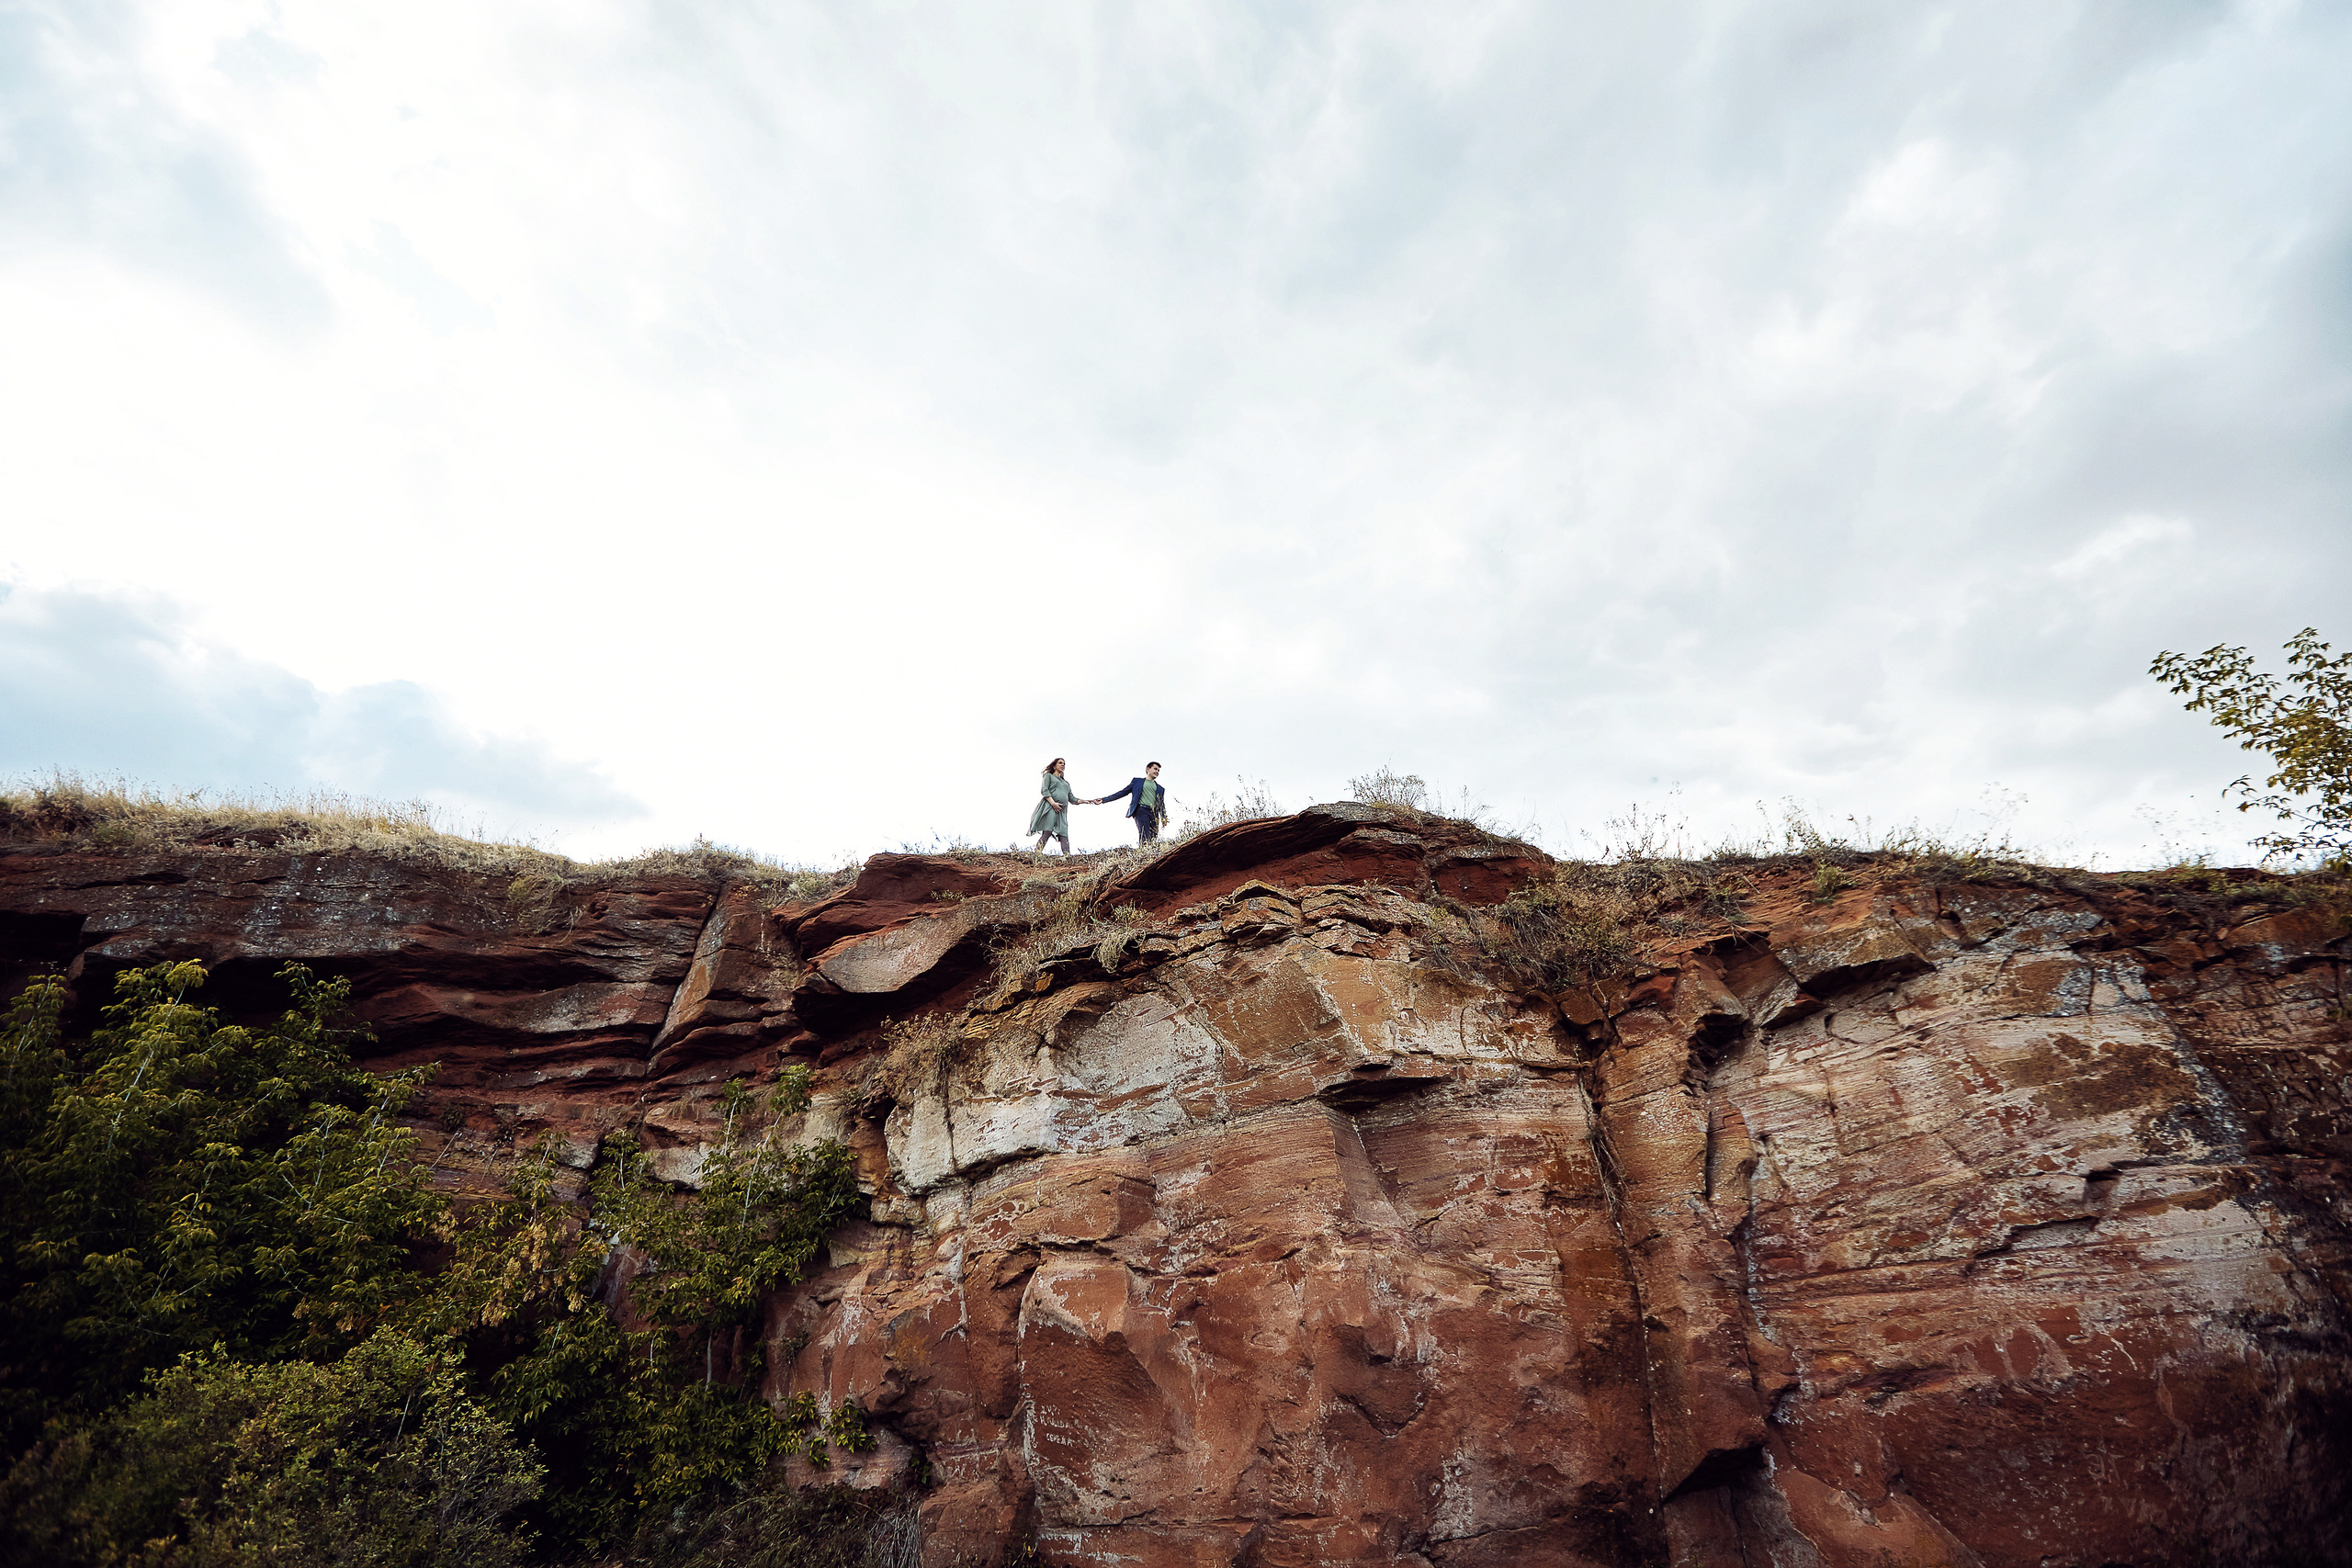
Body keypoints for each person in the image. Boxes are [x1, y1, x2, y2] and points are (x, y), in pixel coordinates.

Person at [1092, 761, 1170, 844]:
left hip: (1154, 814)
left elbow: (1161, 804)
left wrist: (1163, 817)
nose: (1157, 772)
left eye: (1158, 770)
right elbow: (1122, 793)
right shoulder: (1137, 782)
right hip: (1141, 810)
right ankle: (1143, 852)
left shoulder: (1160, 789)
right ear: (1148, 769)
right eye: (1155, 769)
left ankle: (1151, 855)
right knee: (1145, 834)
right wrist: (1104, 800)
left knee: (1153, 838)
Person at [1028, 758, 1081, 853]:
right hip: (1050, 807)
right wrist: (1053, 803)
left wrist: (1086, 801)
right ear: (1054, 766)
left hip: (1062, 811)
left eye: (1064, 763)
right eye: (1060, 763)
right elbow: (1044, 790)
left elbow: (1072, 799)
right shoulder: (1049, 776)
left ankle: (1067, 857)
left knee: (1063, 833)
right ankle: (1037, 854)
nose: (1063, 765)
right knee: (1047, 830)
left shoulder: (1066, 783)